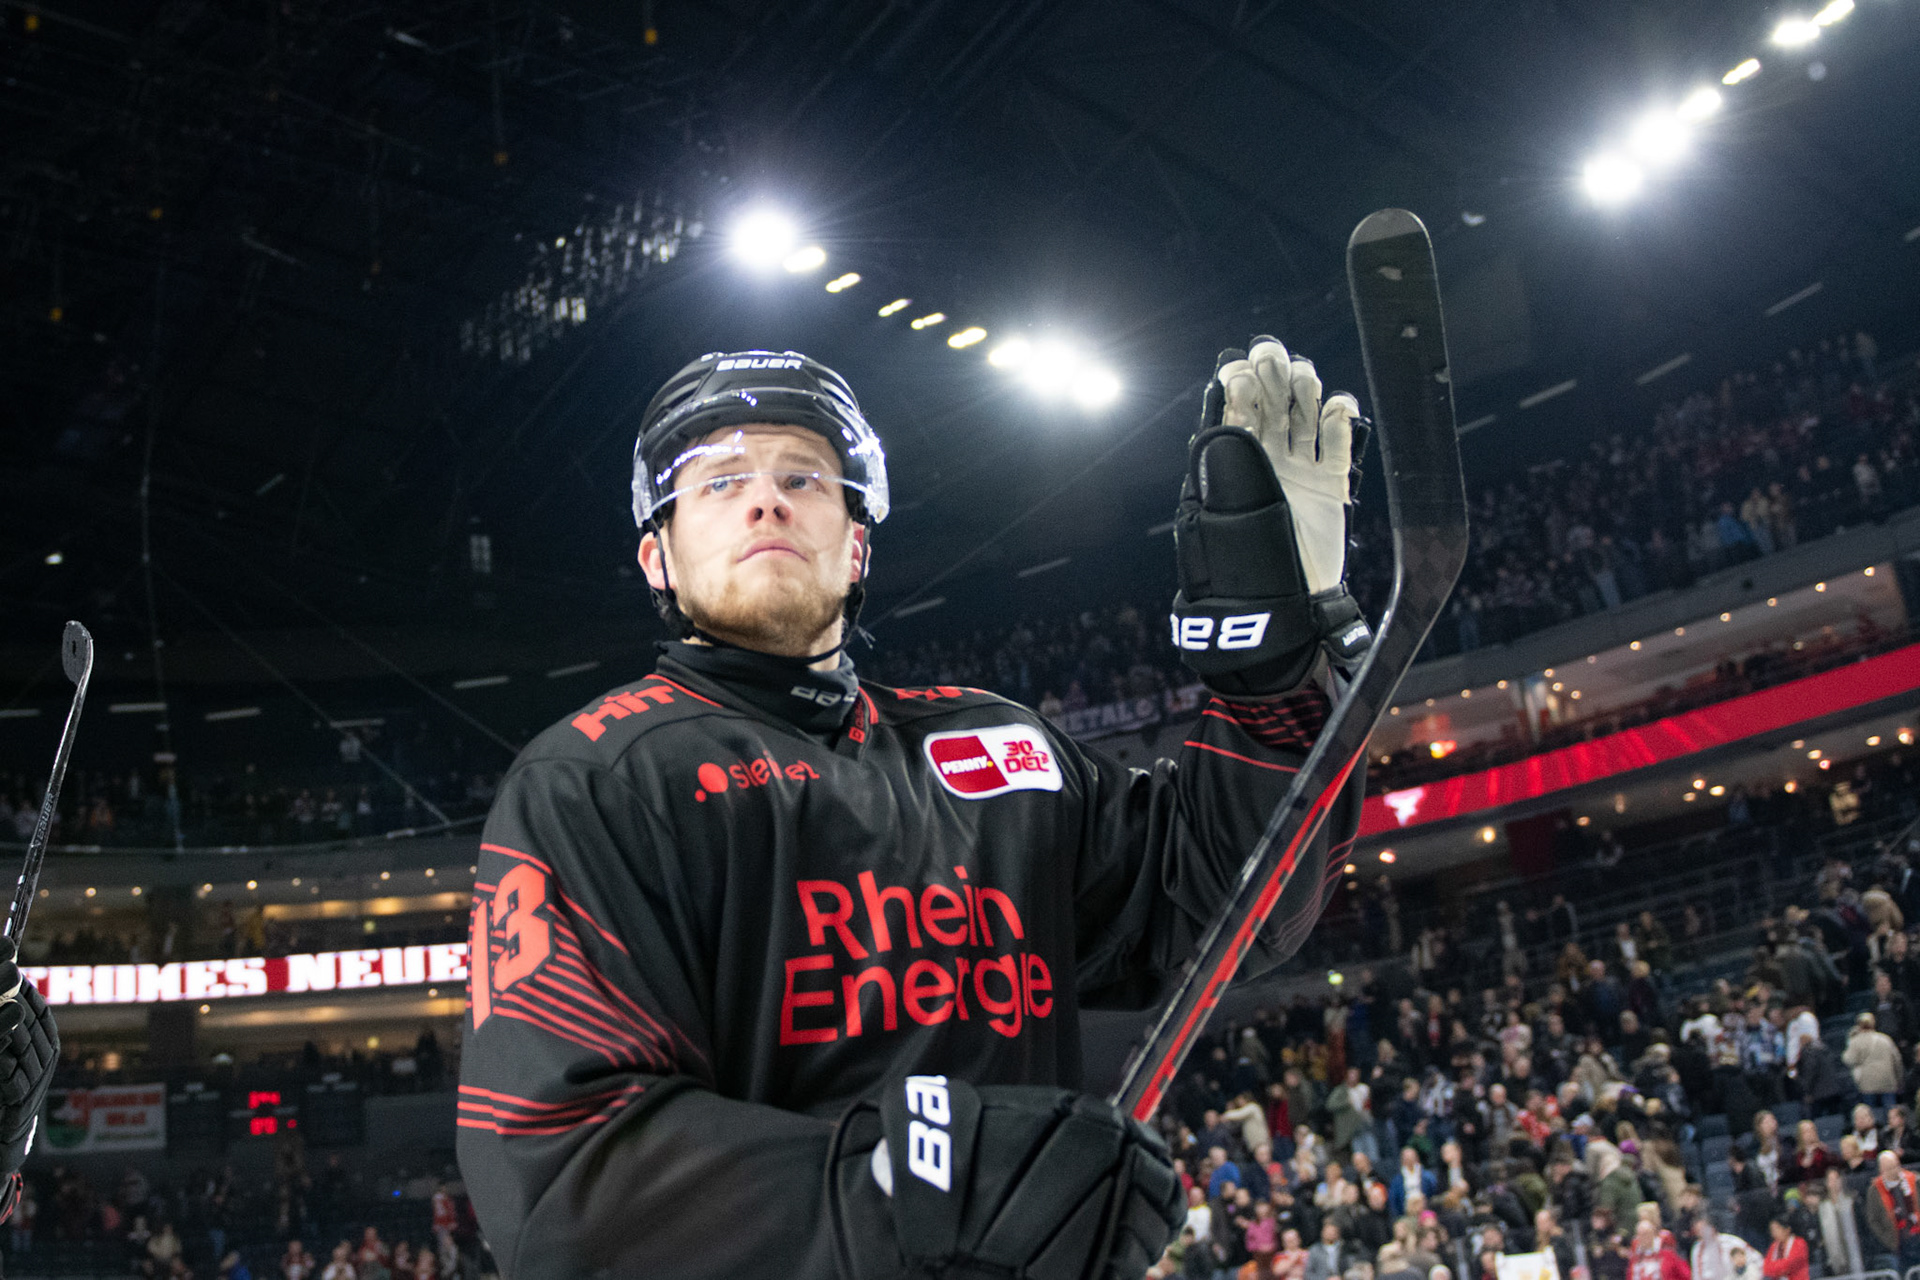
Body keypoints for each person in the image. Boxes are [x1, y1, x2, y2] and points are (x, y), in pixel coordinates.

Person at [456, 345, 1371, 1279]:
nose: (765, 499)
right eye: (720, 481)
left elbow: (1228, 904)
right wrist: (917, 1186)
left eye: (803, 477)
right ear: (660, 559)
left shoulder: (997, 748)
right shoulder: (597, 779)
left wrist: (1278, 665)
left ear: (856, 541)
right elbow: (563, 1174)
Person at [1864, 1148, 1920, 1270]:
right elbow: (1873, 1220)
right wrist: (1888, 1240)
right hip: (1897, 1243)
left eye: (1895, 1166)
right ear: (1881, 1170)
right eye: (1889, 1168)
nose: (1894, 1171)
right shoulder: (1874, 1190)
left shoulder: (1914, 1180)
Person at [1845, 1012, 1902, 1110]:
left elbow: (1848, 1059)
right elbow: (1897, 1059)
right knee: (1891, 1109)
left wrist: (1850, 1038)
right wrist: (1899, 1079)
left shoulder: (1856, 1041)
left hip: (1867, 1083)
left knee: (1871, 1111)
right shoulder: (1885, 1039)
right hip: (1887, 1080)